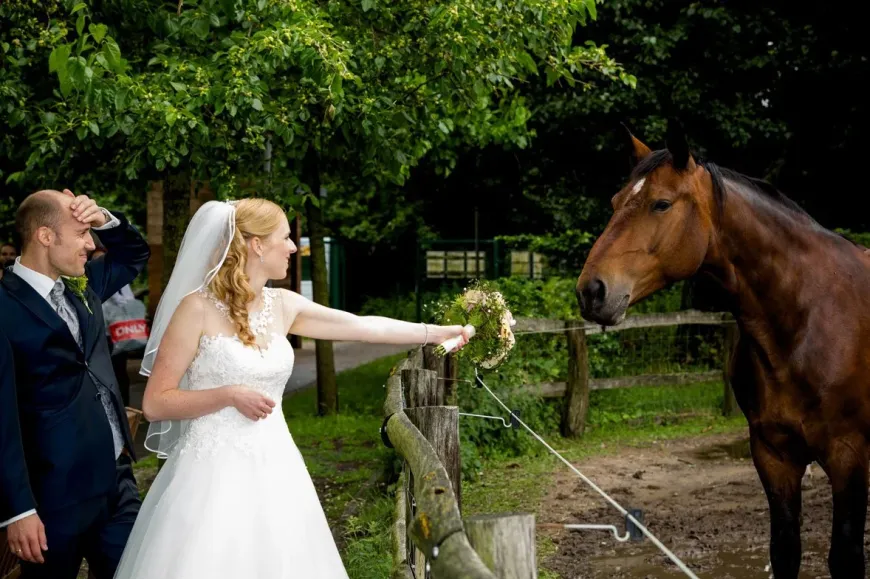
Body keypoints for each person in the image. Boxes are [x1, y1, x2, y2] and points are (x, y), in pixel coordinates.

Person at [113, 198, 470, 579]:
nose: (292, 248)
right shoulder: (196, 309)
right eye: (284, 237)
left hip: (278, 468)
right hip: (210, 476)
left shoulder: (283, 305)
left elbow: (365, 326)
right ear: (256, 244)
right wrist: (227, 395)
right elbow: (156, 403)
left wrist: (438, 333)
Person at [0, 189, 150, 579]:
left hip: (116, 481)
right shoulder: (4, 309)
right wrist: (18, 510)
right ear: (45, 236)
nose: (90, 244)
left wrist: (104, 218)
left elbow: (134, 255)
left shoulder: (85, 283)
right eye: (82, 233)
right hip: (52, 496)